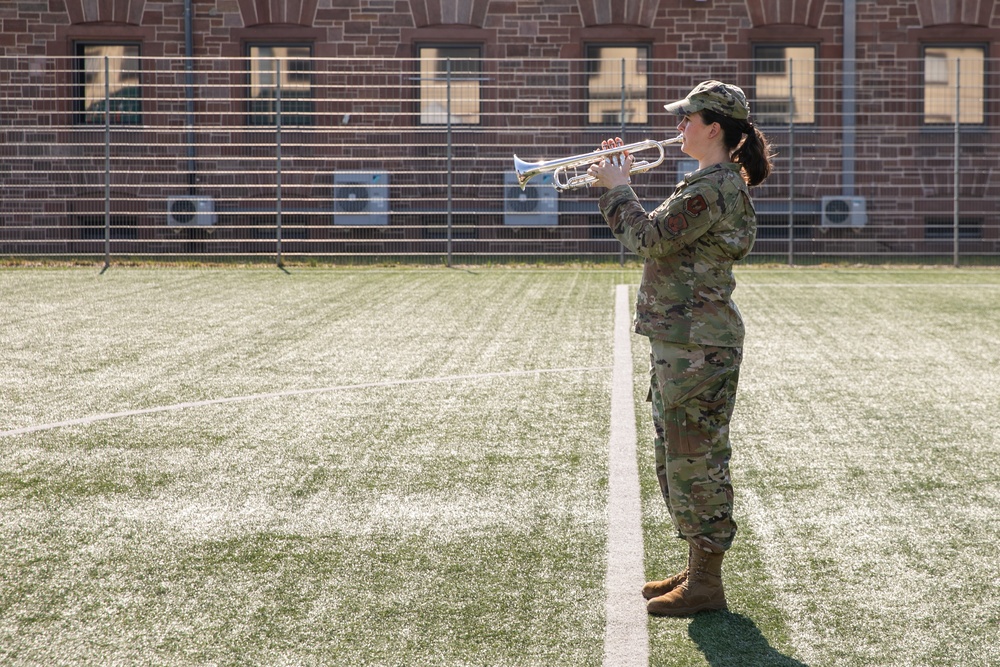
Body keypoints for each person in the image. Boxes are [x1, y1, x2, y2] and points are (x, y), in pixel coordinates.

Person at [587, 80, 773, 617]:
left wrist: (616, 187)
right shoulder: (706, 182)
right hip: (683, 340)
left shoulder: (711, 188)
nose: (677, 128)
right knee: (677, 457)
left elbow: (648, 238)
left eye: (687, 119)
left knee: (697, 461)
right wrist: (617, 180)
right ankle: (698, 566)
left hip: (698, 344)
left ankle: (707, 583)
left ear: (714, 128)